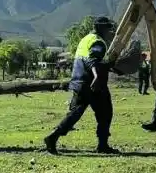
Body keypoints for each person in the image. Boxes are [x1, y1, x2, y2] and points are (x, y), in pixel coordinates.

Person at [45, 16, 118, 154]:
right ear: (102, 28)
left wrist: (109, 65)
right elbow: (92, 60)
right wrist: (97, 76)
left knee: (75, 113)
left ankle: (53, 136)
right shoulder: (98, 42)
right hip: (93, 84)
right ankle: (103, 145)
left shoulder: (86, 39)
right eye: (108, 28)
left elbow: (88, 60)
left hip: (79, 81)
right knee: (105, 113)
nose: (110, 31)